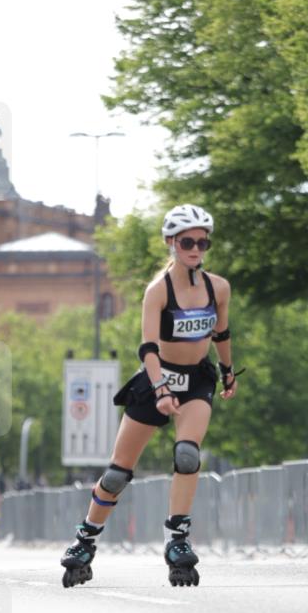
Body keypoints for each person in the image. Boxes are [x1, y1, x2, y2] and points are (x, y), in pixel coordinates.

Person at [61, 204, 244, 589]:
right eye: (188, 241)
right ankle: (85, 540)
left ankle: (177, 538)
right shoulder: (157, 291)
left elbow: (221, 336)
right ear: (171, 243)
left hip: (196, 380)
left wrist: (228, 371)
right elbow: (147, 347)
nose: (197, 248)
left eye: (203, 241)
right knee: (117, 474)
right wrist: (160, 388)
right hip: (156, 379)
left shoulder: (219, 287)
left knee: (187, 454)